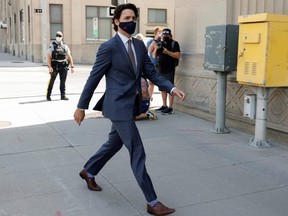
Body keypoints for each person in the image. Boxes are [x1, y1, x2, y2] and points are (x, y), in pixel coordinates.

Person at [74, 3, 185, 215]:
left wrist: (170, 88)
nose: (131, 21)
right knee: (137, 150)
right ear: (116, 21)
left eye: (133, 17)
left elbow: (151, 73)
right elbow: (94, 77)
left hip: (131, 105)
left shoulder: (139, 45)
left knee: (113, 144)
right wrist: (81, 106)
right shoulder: (109, 47)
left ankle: (89, 171)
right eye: (127, 17)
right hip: (117, 107)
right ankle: (152, 202)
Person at [153, 28, 181, 115]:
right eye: (164, 35)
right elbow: (154, 56)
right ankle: (164, 105)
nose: (165, 36)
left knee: (170, 87)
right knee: (162, 88)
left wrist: (167, 52)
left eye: (167, 35)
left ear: (170, 35)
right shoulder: (160, 43)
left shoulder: (174, 43)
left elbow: (178, 55)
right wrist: (156, 48)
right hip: (160, 68)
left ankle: (170, 107)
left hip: (170, 68)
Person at [46, 31, 74, 101]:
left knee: (63, 81)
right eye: (57, 35)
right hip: (55, 65)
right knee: (52, 81)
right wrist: (50, 67)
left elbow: (69, 56)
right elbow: (49, 57)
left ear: (62, 37)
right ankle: (48, 95)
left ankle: (63, 95)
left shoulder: (65, 46)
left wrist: (72, 66)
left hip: (63, 66)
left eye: (60, 36)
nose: (58, 37)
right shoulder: (52, 45)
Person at [146, 27, 162, 101]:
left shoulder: (163, 41)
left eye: (162, 32)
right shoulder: (151, 41)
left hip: (162, 65)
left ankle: (164, 104)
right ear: (155, 33)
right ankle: (149, 100)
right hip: (154, 64)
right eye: (159, 32)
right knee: (151, 84)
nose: (160, 34)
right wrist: (155, 39)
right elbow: (149, 50)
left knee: (162, 84)